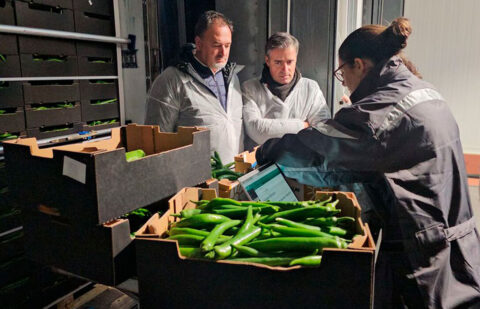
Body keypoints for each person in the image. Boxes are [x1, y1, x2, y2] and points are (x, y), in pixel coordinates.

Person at [256, 18, 480, 308]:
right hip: (458, 237)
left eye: (342, 72)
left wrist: (266, 151)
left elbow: (318, 152)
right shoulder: (423, 90)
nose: (344, 82)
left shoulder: (380, 112)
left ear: (359, 65)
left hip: (423, 250)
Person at [145, 11, 243, 163]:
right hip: (193, 180)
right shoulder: (172, 80)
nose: (223, 53)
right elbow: (155, 142)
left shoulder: (233, 79)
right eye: (216, 45)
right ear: (199, 43)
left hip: (231, 175)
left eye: (227, 45)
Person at [242, 32, 330, 150]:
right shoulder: (250, 88)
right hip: (262, 165)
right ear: (267, 61)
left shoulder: (311, 88)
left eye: (289, 62)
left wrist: (272, 128)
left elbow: (323, 129)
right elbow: (257, 130)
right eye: (278, 62)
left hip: (300, 163)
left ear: (296, 59)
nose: (285, 69)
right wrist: (303, 125)